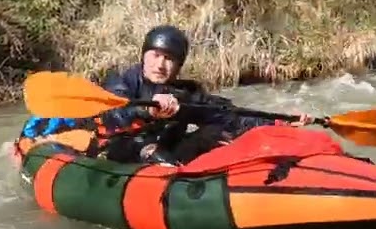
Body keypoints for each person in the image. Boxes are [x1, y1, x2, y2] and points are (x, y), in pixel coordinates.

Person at [98, 25, 313, 166]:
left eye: (169, 59)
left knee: (214, 132)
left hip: (171, 150)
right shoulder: (120, 81)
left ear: (178, 65)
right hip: (125, 153)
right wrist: (147, 110)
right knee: (148, 149)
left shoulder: (186, 94)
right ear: (144, 56)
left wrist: (279, 123)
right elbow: (114, 115)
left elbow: (230, 115)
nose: (160, 65)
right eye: (155, 55)